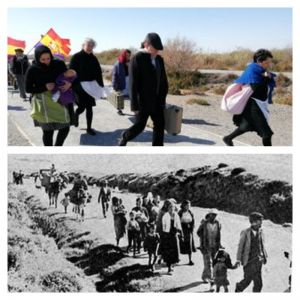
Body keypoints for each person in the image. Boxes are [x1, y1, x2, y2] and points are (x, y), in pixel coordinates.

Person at [119, 32, 168, 146]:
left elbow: (163, 80)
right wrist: (134, 105)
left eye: (158, 49)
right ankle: (125, 136)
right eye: (154, 48)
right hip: (143, 101)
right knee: (140, 126)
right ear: (146, 44)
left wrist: (163, 99)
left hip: (157, 101)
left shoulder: (159, 60)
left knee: (160, 125)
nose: (157, 51)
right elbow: (133, 83)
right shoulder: (137, 58)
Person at [223, 49, 276, 146]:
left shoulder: (261, 70)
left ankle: (228, 138)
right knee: (267, 134)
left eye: (270, 62)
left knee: (246, 126)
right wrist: (266, 77)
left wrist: (266, 76)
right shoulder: (253, 70)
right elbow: (256, 87)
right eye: (267, 62)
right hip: (253, 105)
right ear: (260, 61)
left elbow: (263, 83)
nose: (269, 64)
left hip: (258, 103)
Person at [25, 45, 71, 146]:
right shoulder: (32, 69)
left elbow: (69, 77)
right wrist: (44, 87)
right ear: (37, 58)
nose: (46, 61)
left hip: (60, 100)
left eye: (48, 58)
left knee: (65, 128)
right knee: (48, 132)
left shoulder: (59, 64)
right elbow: (28, 89)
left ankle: (58, 147)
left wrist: (69, 83)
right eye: (43, 59)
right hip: (43, 104)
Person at [69, 38, 104, 135]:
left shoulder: (94, 58)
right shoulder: (76, 57)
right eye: (88, 45)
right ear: (83, 45)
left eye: (92, 46)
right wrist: (72, 85)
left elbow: (98, 73)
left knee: (89, 107)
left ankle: (89, 128)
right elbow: (71, 72)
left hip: (91, 87)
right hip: (79, 86)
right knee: (82, 107)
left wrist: (101, 86)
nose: (90, 48)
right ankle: (76, 114)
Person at [235, 212, 267, 293]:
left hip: (258, 261)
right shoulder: (245, 232)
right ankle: (238, 288)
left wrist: (264, 256)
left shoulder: (261, 231)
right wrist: (238, 259)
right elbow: (240, 247)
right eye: (260, 221)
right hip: (248, 261)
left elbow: (262, 245)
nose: (262, 223)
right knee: (247, 280)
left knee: (258, 284)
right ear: (254, 222)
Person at [197, 209, 222, 284]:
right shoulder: (204, 223)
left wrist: (218, 243)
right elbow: (198, 232)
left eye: (215, 215)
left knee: (214, 262)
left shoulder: (218, 223)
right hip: (206, 245)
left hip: (215, 245)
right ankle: (207, 277)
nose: (214, 216)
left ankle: (207, 276)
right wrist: (203, 238)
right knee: (208, 262)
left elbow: (219, 233)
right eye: (212, 214)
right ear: (209, 215)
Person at [161, 201, 182, 274]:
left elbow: (179, 225)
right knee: (168, 251)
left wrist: (179, 232)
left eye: (173, 207)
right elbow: (163, 226)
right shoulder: (165, 215)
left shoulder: (176, 215)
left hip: (174, 234)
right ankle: (169, 267)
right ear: (168, 208)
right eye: (170, 207)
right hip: (167, 234)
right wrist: (164, 234)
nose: (171, 209)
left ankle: (172, 265)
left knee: (174, 250)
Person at [112, 49, 132, 115]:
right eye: (126, 55)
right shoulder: (118, 63)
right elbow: (114, 74)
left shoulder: (130, 62)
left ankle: (134, 109)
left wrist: (130, 66)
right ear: (123, 54)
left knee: (131, 95)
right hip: (121, 81)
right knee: (120, 97)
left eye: (129, 55)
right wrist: (114, 84)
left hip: (129, 81)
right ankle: (119, 110)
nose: (128, 57)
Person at [178, 200, 196, 265]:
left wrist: (192, 226)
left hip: (189, 230)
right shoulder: (180, 212)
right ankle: (178, 257)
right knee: (180, 244)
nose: (188, 207)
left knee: (189, 244)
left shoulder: (190, 212)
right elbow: (178, 221)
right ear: (184, 206)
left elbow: (193, 220)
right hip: (182, 229)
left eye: (189, 205)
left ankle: (190, 259)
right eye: (187, 205)